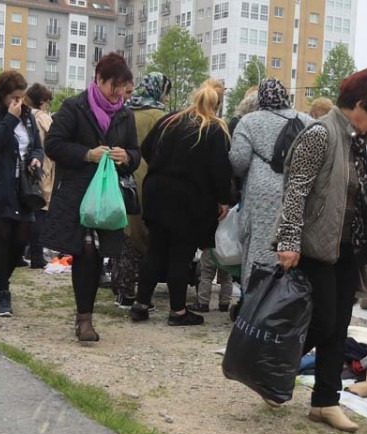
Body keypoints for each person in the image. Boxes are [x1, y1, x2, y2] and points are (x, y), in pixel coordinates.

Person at [273, 67, 367, 432]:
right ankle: (272, 368)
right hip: (314, 245)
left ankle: (325, 402)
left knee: (339, 326)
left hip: (345, 247)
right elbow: (296, 190)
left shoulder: (353, 138)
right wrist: (289, 240)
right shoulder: (321, 133)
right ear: (359, 105)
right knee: (323, 322)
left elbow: (342, 185)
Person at [44, 53, 139, 342]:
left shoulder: (125, 113)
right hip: (77, 193)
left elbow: (136, 153)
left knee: (99, 254)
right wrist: (87, 154)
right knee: (84, 251)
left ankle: (87, 314)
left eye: (123, 88)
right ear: (99, 79)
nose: (119, 93)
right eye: (115, 86)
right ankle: (84, 319)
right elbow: (53, 145)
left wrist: (127, 157)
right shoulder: (75, 106)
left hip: (108, 196)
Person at [130, 80, 232, 326]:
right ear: (216, 105)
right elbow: (220, 170)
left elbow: (146, 148)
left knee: (155, 249)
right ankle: (177, 312)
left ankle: (140, 305)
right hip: (188, 199)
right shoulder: (214, 128)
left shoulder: (171, 119)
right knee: (180, 253)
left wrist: (163, 166)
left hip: (156, 191)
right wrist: (223, 200)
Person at [229, 79, 312, 288]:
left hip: (260, 196)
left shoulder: (248, 122)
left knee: (258, 247)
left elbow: (239, 161)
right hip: (297, 192)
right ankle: (289, 300)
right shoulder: (307, 120)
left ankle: (255, 301)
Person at [0, 71, 43, 316]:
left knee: (21, 238)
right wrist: (10, 120)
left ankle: (0, 278)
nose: (19, 102)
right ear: (2, 95)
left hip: (22, 188)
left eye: (21, 97)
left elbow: (36, 146)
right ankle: (3, 292)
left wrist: (36, 159)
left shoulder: (27, 116)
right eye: (14, 97)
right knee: (1, 235)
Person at [110, 72, 171, 308]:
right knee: (145, 235)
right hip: (148, 179)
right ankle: (141, 292)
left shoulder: (124, 110)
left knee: (124, 233)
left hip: (122, 176)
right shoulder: (161, 117)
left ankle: (122, 288)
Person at [24, 83, 55, 270]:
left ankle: (23, 251)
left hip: (25, 167)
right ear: (43, 101)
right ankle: (36, 254)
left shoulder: (23, 115)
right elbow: (54, 142)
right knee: (40, 210)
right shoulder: (43, 118)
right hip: (42, 168)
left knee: (25, 209)